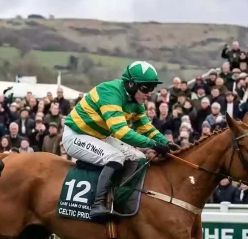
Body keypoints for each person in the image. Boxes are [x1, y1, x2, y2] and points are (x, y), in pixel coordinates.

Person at [63, 61, 176, 220]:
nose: (149, 93)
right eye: (145, 88)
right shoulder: (110, 92)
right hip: (75, 135)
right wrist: (154, 144)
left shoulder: (137, 103)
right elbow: (121, 132)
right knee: (115, 157)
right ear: (130, 84)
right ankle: (97, 204)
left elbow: (145, 127)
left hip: (99, 136)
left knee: (138, 157)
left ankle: (120, 199)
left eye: (152, 88)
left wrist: (166, 142)